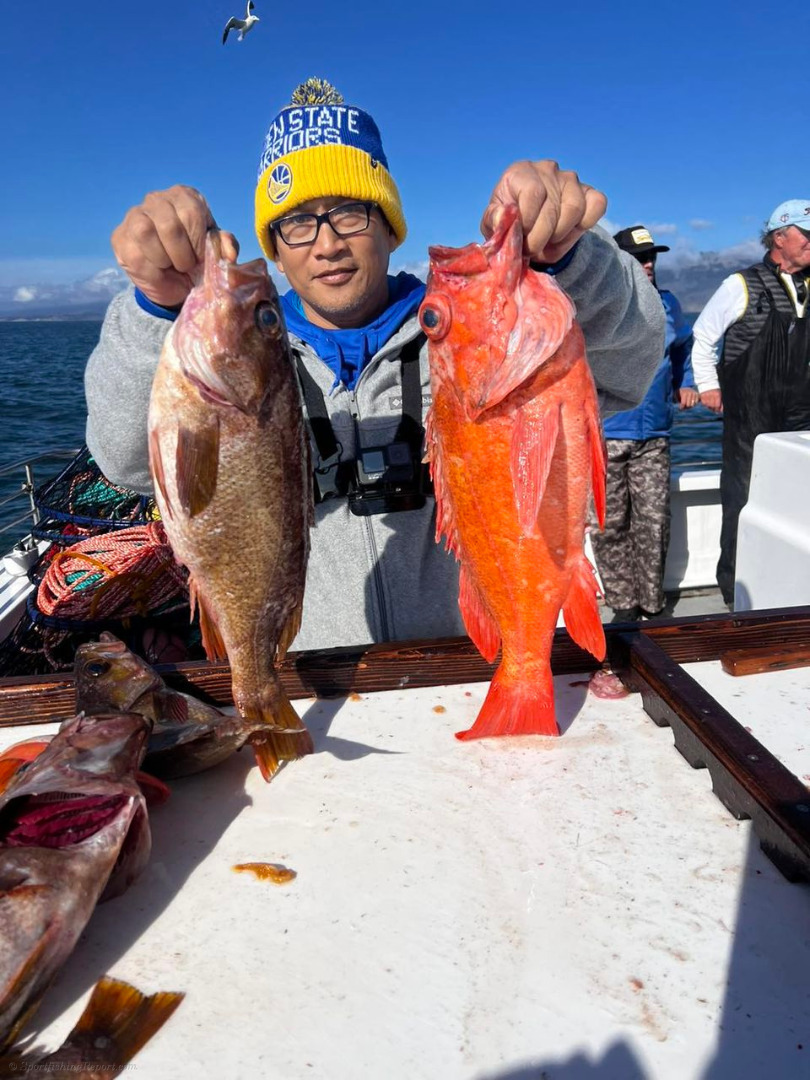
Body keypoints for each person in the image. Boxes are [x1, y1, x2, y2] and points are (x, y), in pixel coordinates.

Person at [84, 78, 666, 652]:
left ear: (390, 227)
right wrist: (155, 309)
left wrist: (571, 259)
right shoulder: (232, 358)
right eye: (296, 222)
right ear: (278, 252)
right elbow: (128, 461)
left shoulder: (475, 334)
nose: (327, 242)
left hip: (471, 664)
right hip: (314, 685)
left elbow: (631, 364)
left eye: (351, 213)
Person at [691, 200, 810, 606]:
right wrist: (708, 386)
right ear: (780, 237)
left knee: (798, 498)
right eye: (806, 234)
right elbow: (704, 337)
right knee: (741, 501)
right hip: (749, 414)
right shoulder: (741, 285)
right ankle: (736, 593)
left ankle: (792, 588)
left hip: (801, 416)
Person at [588, 226, 698, 622]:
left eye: (652, 256)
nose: (648, 263)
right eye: (639, 257)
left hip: (654, 436)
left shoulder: (669, 305)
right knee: (608, 526)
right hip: (604, 437)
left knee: (653, 523)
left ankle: (652, 607)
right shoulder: (598, 308)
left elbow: (685, 349)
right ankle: (622, 607)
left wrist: (686, 383)